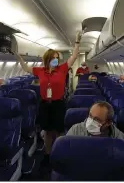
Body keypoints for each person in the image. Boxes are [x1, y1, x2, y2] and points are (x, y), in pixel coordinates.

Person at [14, 31, 83, 165]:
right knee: (47, 131)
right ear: (47, 59)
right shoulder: (40, 70)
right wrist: (18, 57)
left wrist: (77, 42)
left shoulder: (62, 68)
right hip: (45, 104)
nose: (56, 60)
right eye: (54, 58)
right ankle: (47, 153)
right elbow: (26, 68)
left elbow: (74, 56)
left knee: (58, 130)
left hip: (58, 104)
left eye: (57, 57)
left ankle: (59, 153)